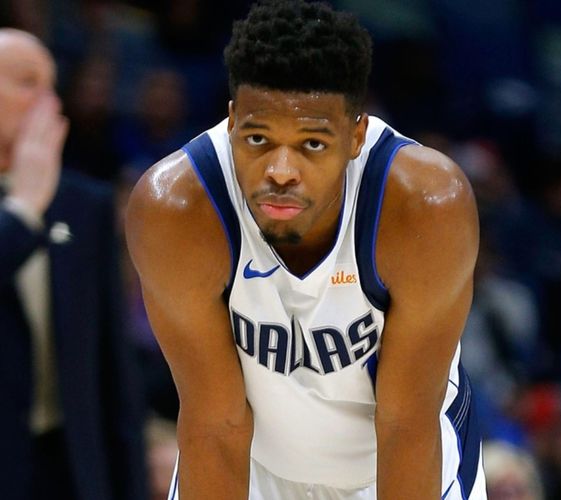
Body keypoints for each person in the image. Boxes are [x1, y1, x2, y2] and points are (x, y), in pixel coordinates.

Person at [126, 0, 485, 498]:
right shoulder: (177, 209)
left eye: (312, 144)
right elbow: (215, 426)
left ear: (356, 135)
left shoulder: (424, 207)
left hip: (396, 460)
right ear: (232, 121)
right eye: (258, 139)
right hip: (251, 466)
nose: (280, 172)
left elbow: (405, 425)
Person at [0, 29, 147, 500]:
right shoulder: (28, 204)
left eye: (52, 87)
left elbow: (114, 374)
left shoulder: (85, 203)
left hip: (69, 469)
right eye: (27, 82)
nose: (49, 103)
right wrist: (22, 212)